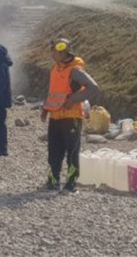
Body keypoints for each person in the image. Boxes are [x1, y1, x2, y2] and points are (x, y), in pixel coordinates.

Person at [41, 38, 100, 193]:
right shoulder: (56, 68)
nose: (51, 54)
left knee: (72, 152)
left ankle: (71, 183)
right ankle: (52, 181)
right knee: (54, 151)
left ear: (62, 52)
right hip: (55, 116)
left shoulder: (75, 70)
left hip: (71, 117)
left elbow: (93, 87)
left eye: (53, 51)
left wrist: (73, 100)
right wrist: (46, 107)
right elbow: (53, 91)